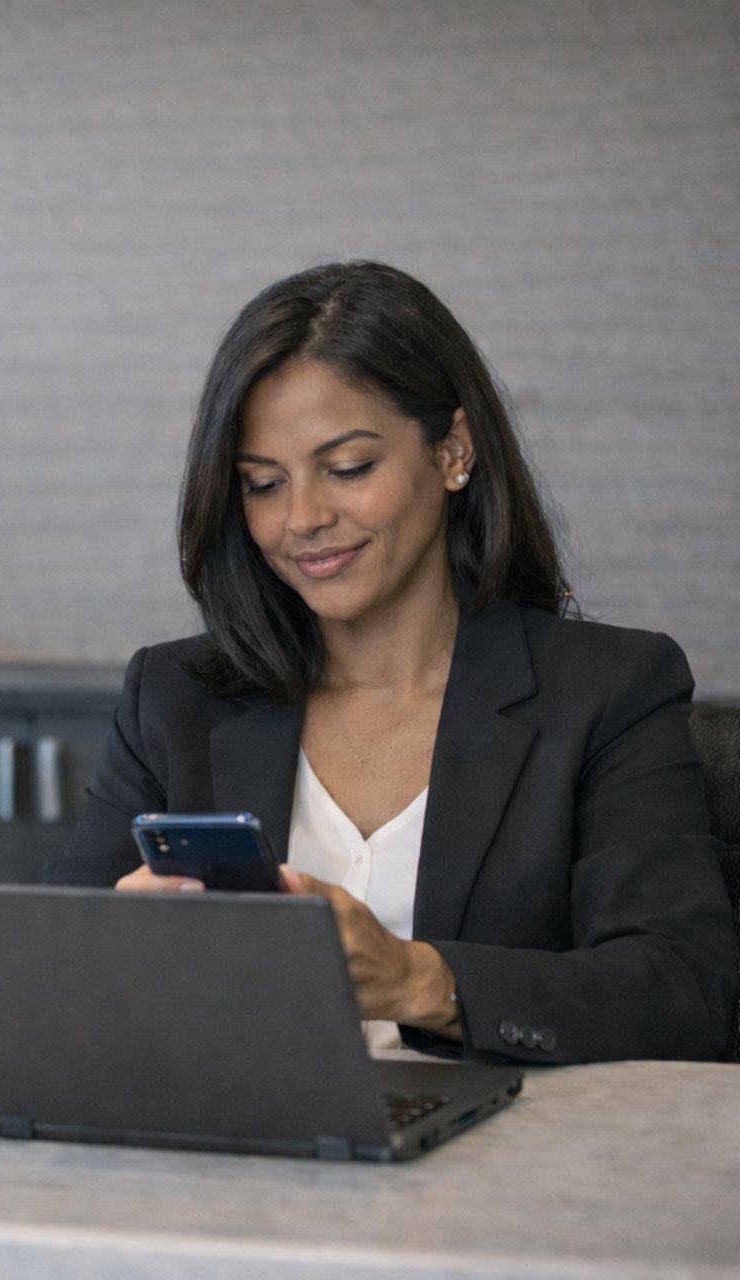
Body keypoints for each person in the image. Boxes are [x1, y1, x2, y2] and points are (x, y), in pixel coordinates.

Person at [48, 261, 735, 1063]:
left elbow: (687, 991)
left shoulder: (607, 691)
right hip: (239, 1160)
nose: (302, 518)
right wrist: (110, 947)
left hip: (506, 1166)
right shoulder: (175, 698)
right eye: (264, 484)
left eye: (348, 469)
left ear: (452, 451)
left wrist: (418, 980)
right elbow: (46, 974)